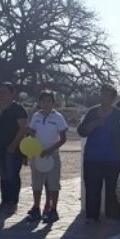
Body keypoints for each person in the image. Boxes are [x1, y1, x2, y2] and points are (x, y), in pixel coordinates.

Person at [78, 84, 120, 223]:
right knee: (92, 189)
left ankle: (113, 216)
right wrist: (93, 125)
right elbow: (81, 131)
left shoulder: (118, 115)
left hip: (113, 159)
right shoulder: (92, 112)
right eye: (102, 94)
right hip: (92, 158)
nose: (103, 97)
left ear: (113, 98)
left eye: (107, 95)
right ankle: (92, 216)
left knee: (113, 190)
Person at [0, 82, 29, 215]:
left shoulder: (18, 109)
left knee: (12, 175)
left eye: (5, 92)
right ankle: (4, 201)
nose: (1, 94)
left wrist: (14, 144)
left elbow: (23, 128)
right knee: (3, 176)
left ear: (12, 94)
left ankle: (13, 203)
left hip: (13, 149)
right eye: (0, 92)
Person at [25, 90, 68, 224]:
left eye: (49, 101)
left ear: (53, 103)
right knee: (36, 184)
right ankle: (36, 208)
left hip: (52, 155)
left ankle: (53, 209)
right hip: (37, 154)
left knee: (53, 184)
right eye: (43, 101)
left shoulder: (58, 117)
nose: (46, 103)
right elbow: (32, 133)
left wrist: (49, 150)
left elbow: (63, 139)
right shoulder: (36, 116)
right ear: (40, 102)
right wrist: (27, 132)